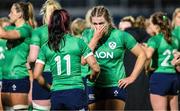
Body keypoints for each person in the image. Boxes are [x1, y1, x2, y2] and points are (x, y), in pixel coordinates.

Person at [33, 9, 100, 110]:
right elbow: (95, 68)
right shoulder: (78, 42)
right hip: (76, 93)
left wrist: (49, 87)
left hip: (56, 94)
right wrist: (92, 78)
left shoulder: (46, 47)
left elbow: (36, 75)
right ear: (68, 23)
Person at [82, 6, 146, 110]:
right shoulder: (87, 35)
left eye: (101, 23)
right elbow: (83, 61)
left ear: (108, 21)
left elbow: (142, 55)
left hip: (115, 85)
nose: (98, 27)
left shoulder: (120, 36)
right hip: (93, 85)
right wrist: (94, 39)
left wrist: (132, 77)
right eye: (95, 24)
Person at [0, 2, 36, 110]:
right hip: (5, 78)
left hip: (18, 77)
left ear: (20, 14)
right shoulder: (10, 28)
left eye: (11, 12)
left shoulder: (26, 29)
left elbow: (3, 34)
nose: (9, 15)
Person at [27, 0, 62, 110]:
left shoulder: (38, 32)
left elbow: (33, 57)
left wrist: (26, 61)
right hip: (62, 76)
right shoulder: (65, 32)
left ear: (44, 14)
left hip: (43, 76)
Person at [142, 12, 179, 111]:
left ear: (155, 25)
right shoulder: (175, 39)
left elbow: (148, 56)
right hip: (173, 77)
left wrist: (146, 68)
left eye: (150, 24)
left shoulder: (154, 39)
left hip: (160, 77)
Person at [0, 17, 11, 111]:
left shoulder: (12, 42)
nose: (8, 30)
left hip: (8, 77)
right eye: (5, 28)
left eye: (9, 27)